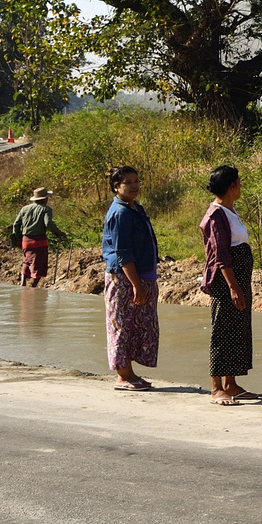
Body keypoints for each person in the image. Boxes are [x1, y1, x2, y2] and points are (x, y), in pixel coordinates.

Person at [200, 165, 256, 405]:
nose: (240, 186)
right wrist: (233, 287)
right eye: (239, 182)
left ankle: (231, 384)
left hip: (239, 278)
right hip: (226, 282)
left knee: (237, 330)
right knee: (222, 331)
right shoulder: (216, 216)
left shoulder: (229, 211)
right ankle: (216, 388)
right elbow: (221, 256)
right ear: (232, 186)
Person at [101, 165, 160, 390]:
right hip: (124, 279)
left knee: (138, 326)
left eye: (136, 180)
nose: (134, 185)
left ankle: (130, 373)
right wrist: (136, 285)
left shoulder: (135, 208)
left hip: (142, 276)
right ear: (116, 187)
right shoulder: (120, 213)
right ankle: (123, 376)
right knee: (122, 326)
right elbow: (122, 252)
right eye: (128, 182)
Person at [9, 187, 66, 288]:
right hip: (39, 241)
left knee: (26, 261)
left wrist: (18, 238)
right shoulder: (46, 209)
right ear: (44, 199)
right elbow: (48, 223)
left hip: (25, 240)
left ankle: (23, 283)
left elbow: (16, 225)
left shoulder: (24, 209)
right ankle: (33, 287)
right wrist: (59, 233)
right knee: (39, 265)